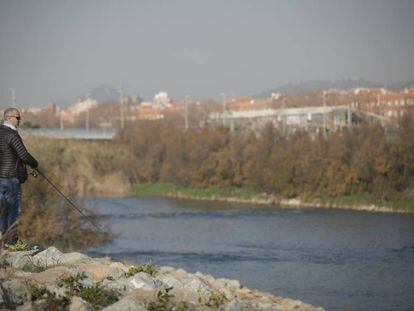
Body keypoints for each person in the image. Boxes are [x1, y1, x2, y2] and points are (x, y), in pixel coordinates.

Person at [0, 108, 38, 243]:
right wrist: (35, 164)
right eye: (18, 118)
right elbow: (24, 155)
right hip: (11, 179)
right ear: (9, 118)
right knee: (13, 211)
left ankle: (5, 240)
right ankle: (12, 242)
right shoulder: (12, 135)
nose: (19, 121)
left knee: (3, 210)